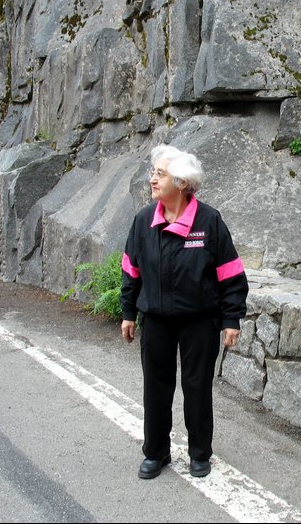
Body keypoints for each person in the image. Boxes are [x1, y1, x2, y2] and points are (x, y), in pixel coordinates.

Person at [120, 144, 249, 480]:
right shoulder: (143, 221)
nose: (152, 179)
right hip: (157, 319)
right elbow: (131, 270)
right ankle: (155, 452)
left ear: (181, 181)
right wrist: (128, 312)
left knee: (197, 387)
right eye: (153, 172)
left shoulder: (208, 220)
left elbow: (230, 272)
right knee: (156, 387)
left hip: (199, 320)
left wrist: (231, 318)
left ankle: (199, 454)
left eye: (159, 174)